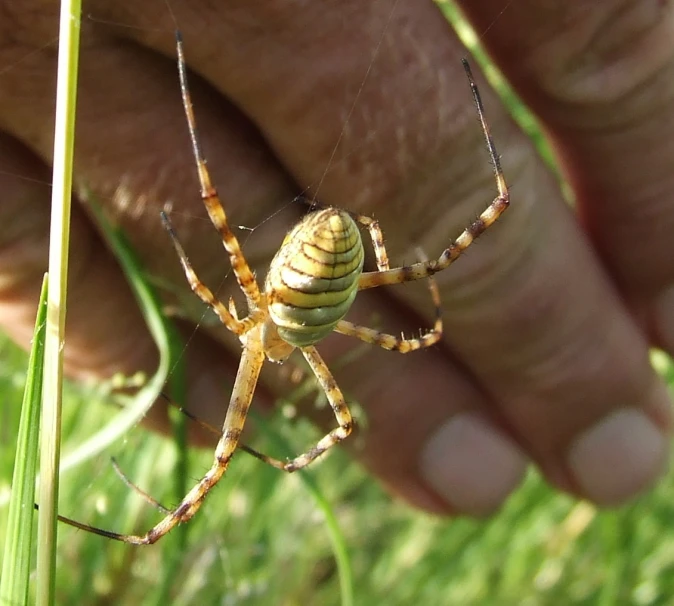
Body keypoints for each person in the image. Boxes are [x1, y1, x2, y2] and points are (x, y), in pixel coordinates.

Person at [0, 0, 671, 518]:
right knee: (431, 257)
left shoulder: (265, 327)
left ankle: (181, 65)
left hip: (311, 282)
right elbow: (404, 337)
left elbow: (208, 279)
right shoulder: (313, 338)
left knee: (224, 220)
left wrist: (194, 267)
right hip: (327, 277)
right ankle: (180, 65)